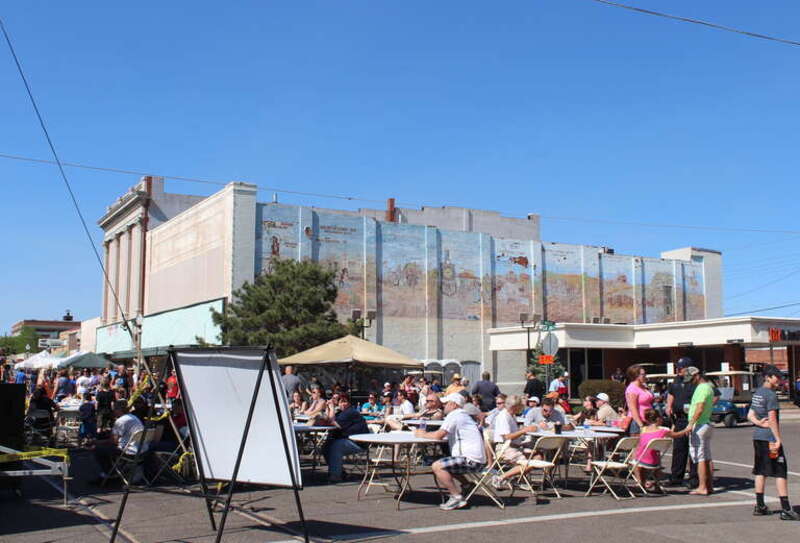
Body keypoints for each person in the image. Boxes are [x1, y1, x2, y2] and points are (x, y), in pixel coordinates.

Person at [414, 394, 486, 511]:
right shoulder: (462, 415)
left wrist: (422, 434)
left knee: (437, 466)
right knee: (446, 462)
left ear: (453, 404)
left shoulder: (455, 415)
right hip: (476, 459)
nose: (443, 406)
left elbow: (438, 435)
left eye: (446, 403)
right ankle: (467, 485)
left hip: (470, 460)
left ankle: (456, 497)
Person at [749, 365, 800, 520]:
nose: (779, 379)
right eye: (776, 376)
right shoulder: (770, 395)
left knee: (760, 471)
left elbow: (750, 415)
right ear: (767, 377)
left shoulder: (758, 393)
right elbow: (772, 419)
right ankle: (786, 509)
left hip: (758, 437)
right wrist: (777, 439)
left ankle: (760, 505)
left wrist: (758, 423)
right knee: (780, 471)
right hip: (769, 439)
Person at [91, 399, 147, 484]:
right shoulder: (134, 417)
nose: (113, 411)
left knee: (98, 449)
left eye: (114, 409)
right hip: (143, 450)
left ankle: (110, 473)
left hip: (130, 452)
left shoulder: (120, 421)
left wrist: (96, 442)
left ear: (119, 409)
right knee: (108, 447)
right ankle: (117, 470)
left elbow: (114, 441)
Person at [632, 409, 690, 489]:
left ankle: (640, 481)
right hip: (655, 462)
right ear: (658, 419)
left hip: (641, 461)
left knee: (636, 456)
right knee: (655, 454)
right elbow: (677, 435)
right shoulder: (663, 431)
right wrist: (687, 429)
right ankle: (656, 483)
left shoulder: (643, 430)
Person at [490, 395, 538, 490]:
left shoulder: (511, 415)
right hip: (506, 448)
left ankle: (517, 479)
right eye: (520, 406)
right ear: (515, 407)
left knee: (538, 457)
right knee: (527, 463)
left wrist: (524, 431)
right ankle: (500, 478)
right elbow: (507, 437)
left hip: (515, 446)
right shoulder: (504, 416)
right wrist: (524, 431)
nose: (521, 408)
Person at [665, 357, 699, 487]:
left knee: (694, 449)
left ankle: (694, 479)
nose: (678, 370)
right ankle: (676, 477)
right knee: (679, 448)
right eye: (677, 367)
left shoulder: (696, 381)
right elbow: (671, 393)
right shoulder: (676, 381)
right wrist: (669, 406)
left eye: (681, 367)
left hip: (692, 419)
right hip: (679, 419)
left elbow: (714, 396)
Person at [321, 394, 369, 483]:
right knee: (326, 447)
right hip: (348, 440)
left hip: (359, 443)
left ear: (349, 403)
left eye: (345, 402)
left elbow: (333, 423)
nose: (343, 404)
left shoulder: (350, 412)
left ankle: (335, 476)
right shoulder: (340, 413)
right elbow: (327, 420)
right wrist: (328, 409)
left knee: (336, 446)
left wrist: (331, 408)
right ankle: (340, 471)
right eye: (340, 402)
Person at [685, 366, 715, 496]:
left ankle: (702, 486)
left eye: (691, 379)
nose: (691, 382)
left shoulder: (701, 388)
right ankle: (709, 485)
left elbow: (700, 408)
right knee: (707, 457)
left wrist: (691, 424)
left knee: (700, 457)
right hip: (706, 423)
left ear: (697, 376)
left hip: (699, 425)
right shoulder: (708, 387)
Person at [625, 364, 653, 435]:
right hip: (637, 422)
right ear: (636, 376)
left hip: (648, 420)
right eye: (643, 374)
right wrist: (641, 425)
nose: (645, 376)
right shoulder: (632, 389)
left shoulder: (643, 387)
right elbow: (633, 408)